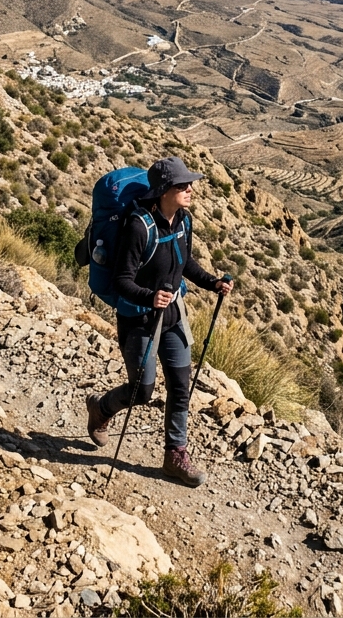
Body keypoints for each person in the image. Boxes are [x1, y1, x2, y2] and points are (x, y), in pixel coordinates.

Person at [85, 157, 232, 487]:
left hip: (173, 314)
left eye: (189, 184)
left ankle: (174, 456)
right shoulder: (139, 226)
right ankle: (101, 409)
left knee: (181, 386)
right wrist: (149, 297)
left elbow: (184, 263)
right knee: (142, 391)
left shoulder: (183, 219)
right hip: (139, 318)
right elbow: (123, 279)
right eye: (182, 185)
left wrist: (212, 282)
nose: (190, 189)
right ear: (164, 190)